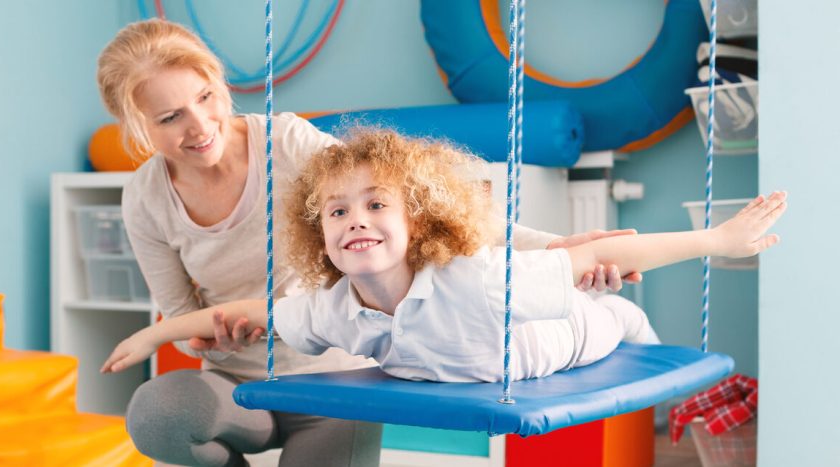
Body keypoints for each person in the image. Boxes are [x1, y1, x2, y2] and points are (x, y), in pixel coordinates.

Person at [96, 18, 640, 466]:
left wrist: (558, 247)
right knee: (158, 415)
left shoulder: (285, 142)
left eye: (206, 97)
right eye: (170, 118)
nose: (200, 125)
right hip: (240, 392)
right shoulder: (146, 199)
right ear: (137, 126)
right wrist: (213, 339)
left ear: (218, 84)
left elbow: (420, 207)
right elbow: (183, 323)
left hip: (337, 381)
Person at [102, 130, 787, 384]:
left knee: (609, 314)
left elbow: (602, 251)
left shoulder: (474, 277)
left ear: (417, 221)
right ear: (320, 234)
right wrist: (155, 331)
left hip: (565, 337)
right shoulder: (334, 309)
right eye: (338, 212)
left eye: (377, 206)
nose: (355, 222)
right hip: (476, 355)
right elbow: (250, 310)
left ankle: (641, 332)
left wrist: (717, 241)